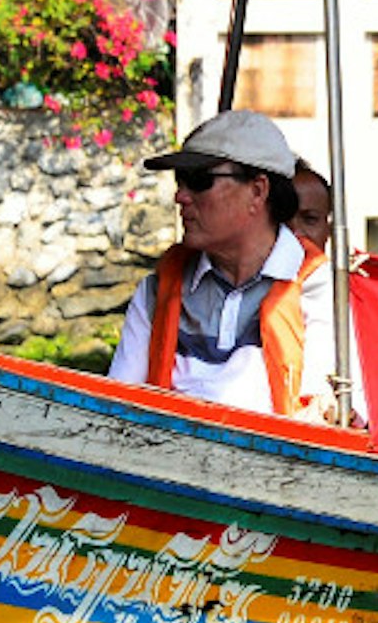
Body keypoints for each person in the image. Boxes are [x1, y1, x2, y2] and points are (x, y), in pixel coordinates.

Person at [115, 109, 313, 413]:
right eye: (180, 181)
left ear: (257, 191)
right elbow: (116, 407)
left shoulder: (320, 289)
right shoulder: (156, 291)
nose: (180, 196)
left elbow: (322, 415)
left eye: (199, 180)